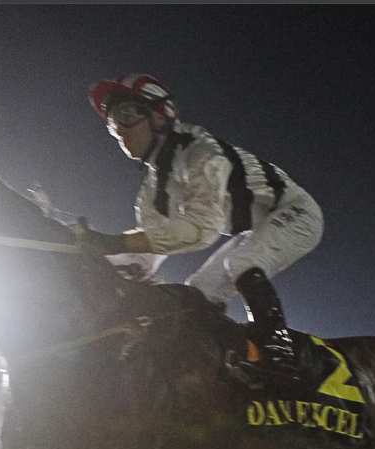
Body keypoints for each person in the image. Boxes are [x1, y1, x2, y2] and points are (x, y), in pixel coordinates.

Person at [79, 72, 324, 387]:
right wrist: (88, 252)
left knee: (242, 263)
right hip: (255, 227)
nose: (119, 131)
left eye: (126, 116)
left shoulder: (200, 151)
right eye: (113, 124)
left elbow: (201, 231)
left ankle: (279, 357)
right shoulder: (152, 188)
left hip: (296, 212)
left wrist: (114, 243)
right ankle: (222, 360)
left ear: (158, 116)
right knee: (198, 291)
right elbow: (148, 252)